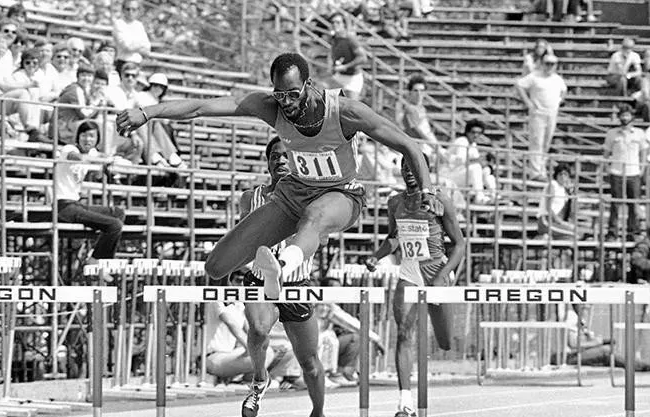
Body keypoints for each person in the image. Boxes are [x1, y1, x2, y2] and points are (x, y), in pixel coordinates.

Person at [116, 52, 430, 299]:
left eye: (293, 94)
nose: (287, 103)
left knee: (315, 216)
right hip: (294, 193)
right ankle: (262, 292)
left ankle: (282, 265)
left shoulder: (344, 111)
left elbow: (409, 146)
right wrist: (148, 112)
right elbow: (201, 107)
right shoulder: (269, 106)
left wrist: (426, 191)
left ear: (309, 85)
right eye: (280, 95)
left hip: (341, 194)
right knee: (216, 266)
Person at [236, 136, 331, 417]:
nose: (280, 161)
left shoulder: (314, 199)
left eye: (286, 156)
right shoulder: (252, 197)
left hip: (296, 283)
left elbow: (321, 234)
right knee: (260, 328)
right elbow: (240, 239)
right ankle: (260, 379)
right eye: (274, 156)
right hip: (260, 280)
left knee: (311, 366)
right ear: (267, 162)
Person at [365, 156, 465, 417]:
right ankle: (405, 402)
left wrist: (442, 277)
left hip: (437, 270)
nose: (409, 173)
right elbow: (394, 238)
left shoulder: (441, 201)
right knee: (404, 334)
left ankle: (440, 336)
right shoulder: (395, 202)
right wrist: (377, 256)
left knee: (445, 342)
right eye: (404, 168)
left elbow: (460, 245)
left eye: (414, 168)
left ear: (426, 171)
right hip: (409, 271)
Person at [56, 120, 125, 264]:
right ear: (78, 137)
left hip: (76, 204)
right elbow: (74, 157)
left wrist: (109, 160)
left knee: (118, 213)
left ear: (96, 139)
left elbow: (102, 159)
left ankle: (98, 253)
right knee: (114, 225)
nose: (87, 139)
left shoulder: (92, 153)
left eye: (92, 136)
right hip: (63, 206)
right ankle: (95, 260)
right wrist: (98, 159)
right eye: (84, 135)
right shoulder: (69, 149)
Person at [516, 53, 567, 179]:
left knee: (546, 143)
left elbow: (564, 90)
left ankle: (541, 169)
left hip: (551, 113)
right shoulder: (534, 76)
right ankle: (535, 171)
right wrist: (528, 102)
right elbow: (519, 85)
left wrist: (559, 101)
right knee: (536, 142)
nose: (549, 66)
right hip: (538, 113)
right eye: (547, 63)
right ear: (542, 64)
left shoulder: (557, 79)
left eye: (552, 64)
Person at [603, 104, 646, 240]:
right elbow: (606, 152)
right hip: (616, 171)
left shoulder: (639, 133)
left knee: (633, 204)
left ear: (632, 117)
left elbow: (643, 152)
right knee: (615, 203)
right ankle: (612, 232)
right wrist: (607, 168)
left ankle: (632, 232)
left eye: (627, 115)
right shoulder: (612, 133)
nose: (624, 117)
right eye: (622, 115)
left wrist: (642, 168)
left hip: (633, 172)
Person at [328, 12, 366, 101]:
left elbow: (363, 58)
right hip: (339, 77)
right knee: (331, 109)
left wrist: (345, 66)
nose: (334, 25)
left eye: (338, 22)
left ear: (344, 24)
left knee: (351, 111)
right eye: (332, 22)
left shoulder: (350, 39)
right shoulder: (334, 39)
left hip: (352, 78)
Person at [537, 162, 579, 239]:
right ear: (556, 175)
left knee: (575, 232)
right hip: (546, 220)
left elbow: (571, 211)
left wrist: (571, 193)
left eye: (565, 174)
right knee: (574, 233)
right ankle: (541, 238)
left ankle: (549, 240)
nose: (563, 177)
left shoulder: (564, 190)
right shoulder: (553, 185)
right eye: (560, 174)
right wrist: (560, 222)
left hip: (555, 222)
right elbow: (548, 207)